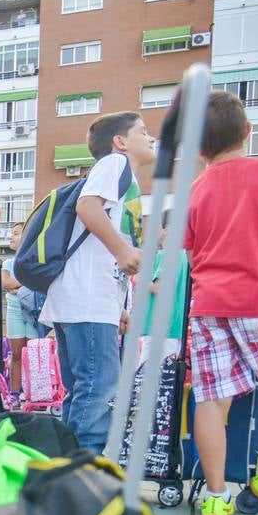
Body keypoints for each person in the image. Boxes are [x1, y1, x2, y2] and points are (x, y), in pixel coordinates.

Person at [183, 91, 258, 515]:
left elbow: (192, 255)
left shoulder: (194, 189)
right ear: (248, 131)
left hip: (210, 303)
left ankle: (216, 497)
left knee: (212, 398)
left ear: (198, 149)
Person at [38, 111, 154, 455]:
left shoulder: (123, 177)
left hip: (86, 300)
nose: (150, 138)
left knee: (84, 390)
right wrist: (122, 249)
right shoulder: (116, 164)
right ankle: (85, 469)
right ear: (120, 141)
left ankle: (70, 467)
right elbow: (88, 207)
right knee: (98, 387)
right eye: (143, 131)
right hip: (87, 300)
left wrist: (116, 306)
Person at [0, 220, 37, 397]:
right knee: (16, 353)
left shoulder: (35, 261)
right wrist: (25, 282)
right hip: (14, 311)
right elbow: (5, 283)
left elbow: (36, 280)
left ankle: (34, 392)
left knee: (32, 353)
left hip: (32, 311)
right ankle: (14, 393)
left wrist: (17, 288)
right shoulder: (8, 263)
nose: (11, 237)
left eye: (16, 233)